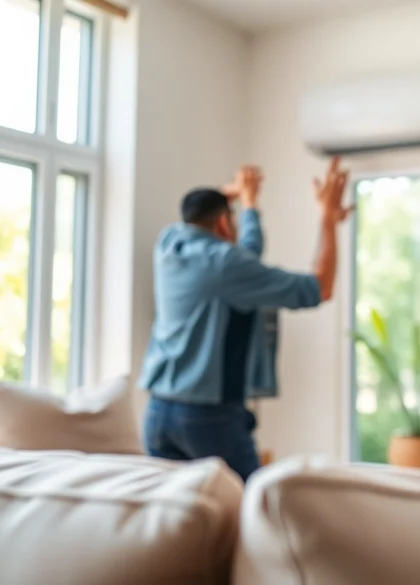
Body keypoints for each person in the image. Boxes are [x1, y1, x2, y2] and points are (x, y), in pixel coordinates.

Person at [138, 157, 353, 482]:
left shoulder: (169, 243)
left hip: (158, 414)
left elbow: (238, 247)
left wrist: (243, 197)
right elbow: (320, 287)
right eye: (234, 222)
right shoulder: (227, 264)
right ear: (224, 224)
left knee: (185, 517)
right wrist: (328, 219)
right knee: (255, 508)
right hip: (208, 417)